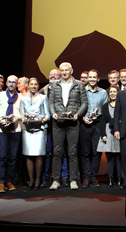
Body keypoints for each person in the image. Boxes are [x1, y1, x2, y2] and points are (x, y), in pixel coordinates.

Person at [48, 62, 88, 190]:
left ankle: (73, 180)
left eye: (67, 70)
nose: (64, 72)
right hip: (58, 122)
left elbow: (84, 103)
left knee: (73, 152)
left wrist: (78, 114)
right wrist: (53, 113)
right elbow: (51, 102)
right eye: (62, 70)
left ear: (72, 70)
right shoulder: (54, 85)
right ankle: (55, 180)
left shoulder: (79, 84)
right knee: (57, 152)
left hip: (73, 122)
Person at [0, 75, 23, 193]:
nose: (11, 84)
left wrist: (16, 118)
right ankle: (1, 182)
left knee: (13, 157)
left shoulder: (20, 97)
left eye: (14, 82)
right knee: (2, 156)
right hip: (2, 130)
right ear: (6, 84)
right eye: (9, 82)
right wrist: (0, 121)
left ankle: (9, 180)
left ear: (17, 84)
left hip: (15, 129)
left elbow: (22, 112)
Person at [20, 77, 50, 190]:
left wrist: (41, 121)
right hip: (28, 129)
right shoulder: (23, 99)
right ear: (28, 85)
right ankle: (31, 179)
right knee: (28, 155)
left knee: (38, 156)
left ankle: (38, 179)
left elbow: (47, 115)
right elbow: (22, 114)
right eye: (31, 84)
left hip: (40, 129)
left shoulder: (43, 98)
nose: (33, 86)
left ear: (38, 86)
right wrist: (23, 119)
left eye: (35, 84)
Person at [80, 69, 108, 188]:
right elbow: (77, 107)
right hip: (84, 125)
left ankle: (93, 177)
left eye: (94, 77)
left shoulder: (103, 92)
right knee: (85, 153)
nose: (91, 79)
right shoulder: (82, 92)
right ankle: (86, 178)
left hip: (97, 125)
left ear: (98, 79)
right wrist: (82, 118)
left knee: (97, 153)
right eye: (90, 77)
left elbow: (105, 109)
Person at [97, 85, 122, 188]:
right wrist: (103, 135)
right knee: (110, 158)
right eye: (110, 92)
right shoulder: (105, 106)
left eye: (114, 92)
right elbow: (102, 122)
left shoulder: (121, 105)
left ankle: (120, 179)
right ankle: (111, 179)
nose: (112, 93)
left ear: (118, 93)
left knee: (119, 158)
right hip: (108, 132)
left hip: (118, 132)